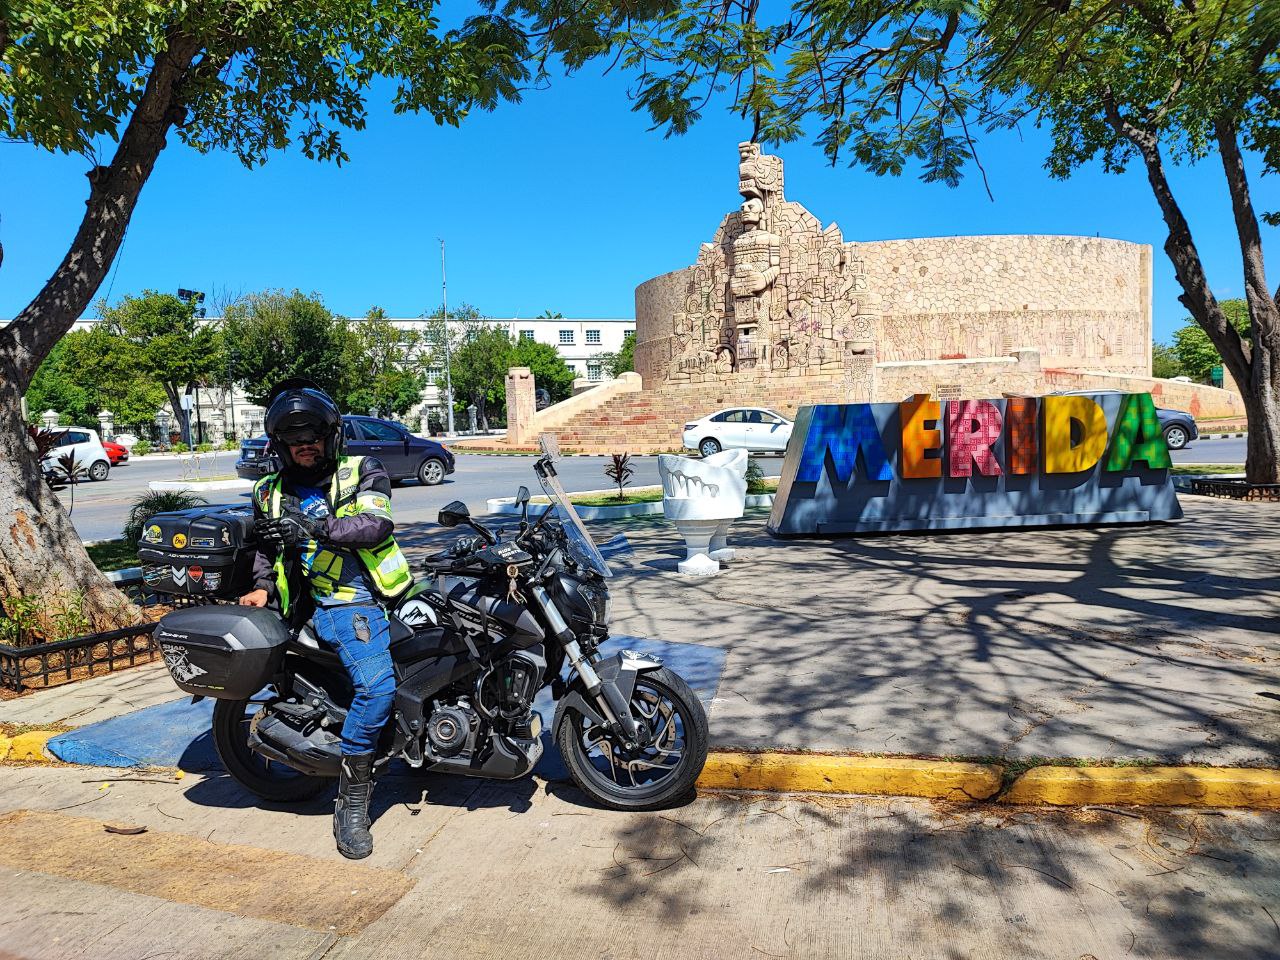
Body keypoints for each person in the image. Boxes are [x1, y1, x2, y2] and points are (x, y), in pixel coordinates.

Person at [239, 381, 412, 859]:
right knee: (377, 688)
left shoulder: (362, 469)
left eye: (312, 435)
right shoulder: (267, 491)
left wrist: (315, 526)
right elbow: (264, 549)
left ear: (331, 436)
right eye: (294, 440)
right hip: (339, 604)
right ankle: (352, 803)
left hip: (392, 592)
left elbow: (375, 525)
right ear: (280, 446)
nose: (304, 445)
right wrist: (262, 586)